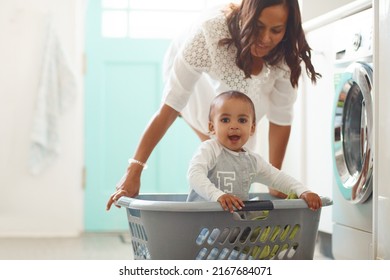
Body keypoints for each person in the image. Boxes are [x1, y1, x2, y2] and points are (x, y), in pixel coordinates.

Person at [106, 0, 321, 211]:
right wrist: (134, 170)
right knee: (219, 151)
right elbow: (170, 107)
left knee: (238, 156)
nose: (265, 38)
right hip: (200, 82)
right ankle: (208, 216)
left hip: (243, 94)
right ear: (246, 17)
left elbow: (281, 116)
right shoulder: (209, 35)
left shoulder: (286, 50)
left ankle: (229, 227)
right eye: (258, 27)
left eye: (276, 30)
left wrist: (276, 183)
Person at [186, 90, 322, 213]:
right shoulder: (209, 149)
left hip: (232, 229)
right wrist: (218, 195)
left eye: (242, 120)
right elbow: (194, 175)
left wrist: (302, 191)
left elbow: (277, 178)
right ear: (212, 127)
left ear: (252, 128)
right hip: (201, 224)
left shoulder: (252, 161)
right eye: (225, 120)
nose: (234, 126)